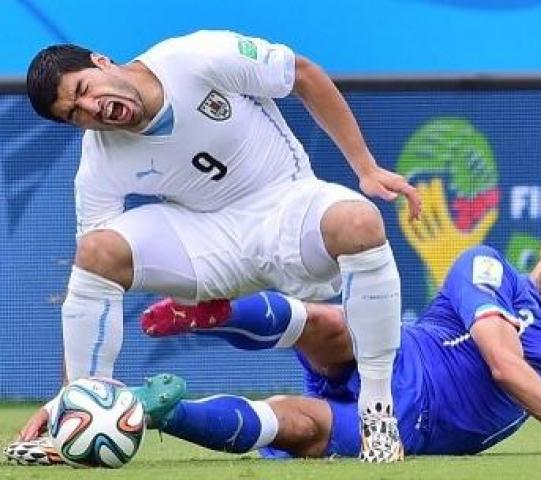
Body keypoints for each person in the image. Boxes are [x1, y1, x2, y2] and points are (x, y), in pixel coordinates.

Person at [22, 30, 421, 462]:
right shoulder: (99, 161)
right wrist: (64, 399)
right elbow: (87, 285)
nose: (91, 109)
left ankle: (377, 412)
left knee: (359, 221)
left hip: (286, 211)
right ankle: (79, 418)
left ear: (102, 62)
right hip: (209, 246)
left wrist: (365, 168)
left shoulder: (195, 57)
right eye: (75, 114)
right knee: (96, 253)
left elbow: (303, 74)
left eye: (83, 90)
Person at [69, 219, 541, 458]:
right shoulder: (489, 267)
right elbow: (503, 365)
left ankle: (155, 407)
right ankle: (215, 312)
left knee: (296, 423)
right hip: (398, 362)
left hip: (408, 431)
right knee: (334, 325)